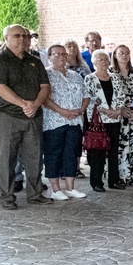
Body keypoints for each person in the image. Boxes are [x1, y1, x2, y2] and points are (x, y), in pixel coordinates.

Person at [0, 24, 53, 209]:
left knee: (34, 158)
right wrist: (24, 104)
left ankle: (35, 194)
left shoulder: (35, 60)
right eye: (17, 36)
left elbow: (45, 87)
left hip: (33, 116)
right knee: (6, 159)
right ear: (6, 38)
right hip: (7, 116)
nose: (22, 39)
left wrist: (36, 104)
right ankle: (6, 197)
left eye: (25, 36)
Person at [41, 44, 89, 200]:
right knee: (53, 154)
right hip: (54, 121)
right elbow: (44, 98)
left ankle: (70, 187)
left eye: (64, 54)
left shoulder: (75, 75)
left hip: (75, 121)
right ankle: (55, 189)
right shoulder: (45, 75)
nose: (61, 56)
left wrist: (81, 110)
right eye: (57, 54)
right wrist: (62, 111)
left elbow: (86, 95)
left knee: (71, 154)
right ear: (49, 57)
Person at [85, 50, 124, 192]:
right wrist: (106, 110)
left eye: (106, 59)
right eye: (100, 59)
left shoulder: (115, 77)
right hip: (98, 121)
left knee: (113, 151)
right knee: (97, 153)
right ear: (94, 62)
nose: (104, 62)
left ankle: (114, 180)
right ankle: (97, 182)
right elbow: (90, 98)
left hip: (114, 119)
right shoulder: (89, 78)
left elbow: (121, 96)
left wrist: (117, 110)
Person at [110, 45, 133, 186]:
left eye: (127, 53)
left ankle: (130, 175)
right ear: (115, 55)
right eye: (121, 53)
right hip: (117, 114)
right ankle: (117, 175)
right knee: (119, 145)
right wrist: (121, 109)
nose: (124, 55)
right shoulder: (110, 72)